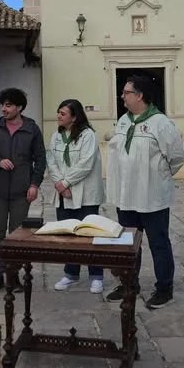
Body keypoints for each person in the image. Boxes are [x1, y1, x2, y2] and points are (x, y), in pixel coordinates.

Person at [104, 75, 184, 309]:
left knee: (158, 242)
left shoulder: (161, 123)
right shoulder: (123, 121)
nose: (122, 97)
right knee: (128, 242)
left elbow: (177, 157)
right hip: (126, 195)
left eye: (126, 93)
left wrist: (157, 176)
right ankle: (129, 282)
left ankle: (164, 288)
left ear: (139, 96)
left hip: (152, 196)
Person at [0, 87, 47, 293]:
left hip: (22, 191)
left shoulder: (32, 129)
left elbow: (40, 159)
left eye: (8, 105)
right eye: (3, 105)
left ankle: (13, 275)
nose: (4, 109)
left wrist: (34, 185)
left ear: (19, 107)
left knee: (17, 235)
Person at [46, 98, 106, 294]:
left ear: (74, 117)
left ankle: (96, 275)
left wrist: (65, 182)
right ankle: (71, 273)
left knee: (89, 234)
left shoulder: (87, 135)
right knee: (68, 234)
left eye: (63, 113)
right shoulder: (56, 136)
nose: (58, 116)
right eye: (58, 112)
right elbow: (52, 161)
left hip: (85, 193)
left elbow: (86, 164)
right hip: (64, 193)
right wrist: (60, 185)